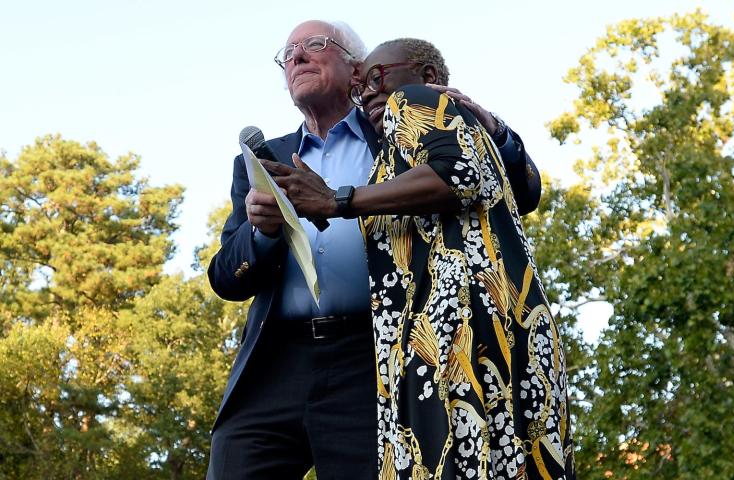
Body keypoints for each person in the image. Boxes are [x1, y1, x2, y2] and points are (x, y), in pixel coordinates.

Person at [206, 22, 543, 479]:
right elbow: (226, 277)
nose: (297, 57)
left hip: (374, 360)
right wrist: (262, 233)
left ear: (356, 69)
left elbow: (514, 191)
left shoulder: (394, 125)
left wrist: (494, 128)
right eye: (288, 53)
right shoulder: (266, 162)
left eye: (314, 45)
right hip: (274, 363)